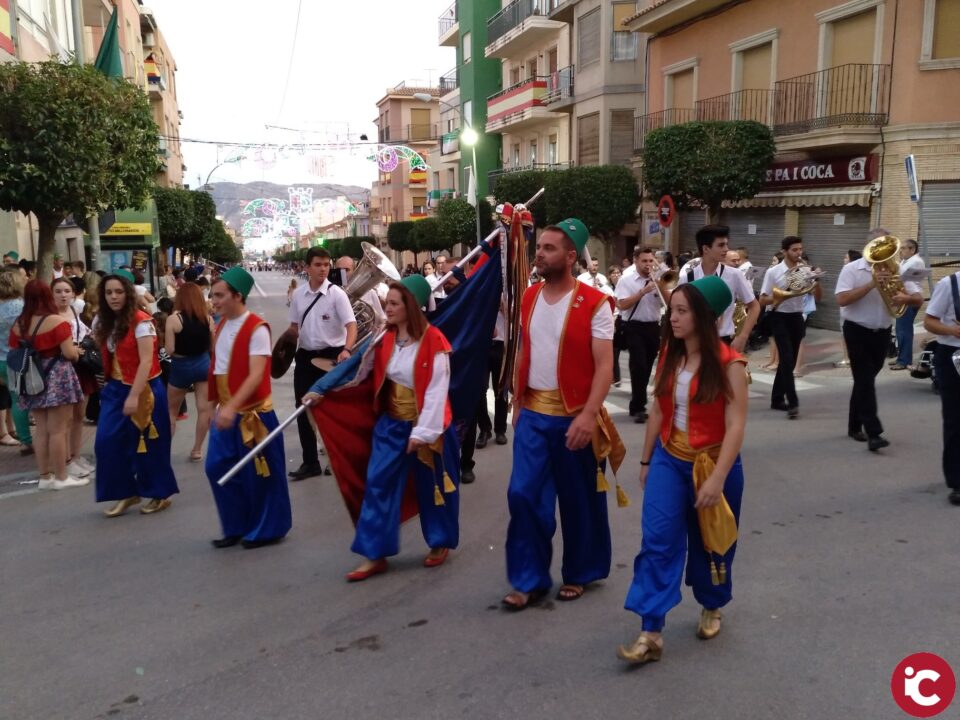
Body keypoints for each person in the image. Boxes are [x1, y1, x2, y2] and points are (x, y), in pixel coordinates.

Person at [617, 276, 748, 665]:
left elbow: (736, 425)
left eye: (681, 311)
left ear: (705, 317)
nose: (671, 318)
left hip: (714, 464)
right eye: (670, 310)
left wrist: (718, 477)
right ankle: (650, 631)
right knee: (657, 541)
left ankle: (712, 603)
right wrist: (645, 461)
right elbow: (658, 409)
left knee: (713, 544)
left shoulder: (731, 364)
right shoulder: (670, 356)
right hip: (669, 461)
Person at [502, 218, 622, 610]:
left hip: (574, 414)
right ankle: (529, 578)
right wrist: (517, 401)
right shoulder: (529, 296)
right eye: (539, 247)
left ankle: (581, 572)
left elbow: (604, 367)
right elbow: (525, 349)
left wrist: (588, 416)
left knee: (579, 498)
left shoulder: (596, 304)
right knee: (523, 495)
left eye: (550, 248)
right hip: (533, 413)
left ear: (571, 257)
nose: (539, 253)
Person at [306, 276, 459, 579]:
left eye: (393, 303)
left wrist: (421, 434)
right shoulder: (383, 336)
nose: (386, 308)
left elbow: (436, 393)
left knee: (435, 489)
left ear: (411, 307)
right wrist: (320, 388)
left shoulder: (435, 343)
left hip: (429, 426)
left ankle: (440, 542)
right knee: (377, 484)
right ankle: (374, 553)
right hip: (390, 425)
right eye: (386, 302)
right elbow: (353, 365)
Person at [205, 267, 292, 548]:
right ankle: (236, 525)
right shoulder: (221, 325)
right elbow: (218, 368)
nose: (213, 301)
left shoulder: (257, 328)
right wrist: (214, 405)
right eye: (212, 295)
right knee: (217, 467)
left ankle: (267, 529)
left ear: (237, 296)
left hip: (254, 415)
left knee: (260, 474)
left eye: (219, 295)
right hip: (227, 412)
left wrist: (232, 407)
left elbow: (257, 375)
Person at [93, 270, 178, 516]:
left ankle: (159, 493)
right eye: (108, 292)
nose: (113, 296)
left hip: (145, 389)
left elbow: (145, 361)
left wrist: (133, 395)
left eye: (118, 291)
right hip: (115, 388)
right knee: (106, 443)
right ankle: (127, 492)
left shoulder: (142, 321)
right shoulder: (104, 321)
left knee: (150, 444)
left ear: (128, 294)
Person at [835, 229, 922, 451]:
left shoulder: (898, 269)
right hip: (856, 330)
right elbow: (842, 299)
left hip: (882, 332)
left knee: (864, 381)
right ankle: (874, 432)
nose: (883, 252)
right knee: (865, 380)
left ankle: (854, 425)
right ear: (868, 246)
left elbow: (918, 298)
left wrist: (906, 298)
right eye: (877, 246)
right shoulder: (851, 269)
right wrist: (872, 284)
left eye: (886, 247)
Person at [285, 247, 356, 480]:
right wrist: (280, 350)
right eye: (318, 264)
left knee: (334, 411)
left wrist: (346, 349)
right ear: (307, 267)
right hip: (305, 357)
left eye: (326, 264)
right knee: (303, 408)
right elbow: (294, 329)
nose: (323, 269)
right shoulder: (298, 295)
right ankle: (310, 462)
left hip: (333, 356)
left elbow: (351, 326)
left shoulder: (337, 294)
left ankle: (338, 460)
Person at [8, 280, 84, 488]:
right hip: (57, 375)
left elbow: (14, 348)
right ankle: (61, 476)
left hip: (31, 376)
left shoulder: (19, 323)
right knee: (58, 429)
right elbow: (69, 353)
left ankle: (45, 477)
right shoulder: (57, 322)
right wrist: (77, 352)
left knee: (41, 429)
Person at [759, 237, 821, 418]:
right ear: (785, 251)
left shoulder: (805, 270)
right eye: (794, 250)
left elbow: (818, 297)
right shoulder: (774, 272)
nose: (799, 253)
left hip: (797, 316)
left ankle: (776, 399)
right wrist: (783, 296)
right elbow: (763, 299)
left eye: (800, 249)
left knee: (790, 360)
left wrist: (816, 280)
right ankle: (792, 401)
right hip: (778, 316)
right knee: (786, 358)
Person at [679, 226, 759, 353]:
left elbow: (754, 306)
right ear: (706, 248)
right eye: (721, 245)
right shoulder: (687, 277)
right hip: (693, 342)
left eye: (727, 244)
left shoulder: (734, 275)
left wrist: (742, 336)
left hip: (723, 340)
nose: (726, 249)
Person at [51, 278, 96, 479]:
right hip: (62, 369)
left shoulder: (75, 313)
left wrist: (88, 341)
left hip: (81, 366)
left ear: (73, 293)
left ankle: (76, 456)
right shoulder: (50, 317)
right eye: (58, 291)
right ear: (51, 294)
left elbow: (87, 333)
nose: (63, 295)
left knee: (79, 415)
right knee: (66, 419)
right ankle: (66, 460)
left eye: (67, 291)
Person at [164, 282, 215, 462]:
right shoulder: (207, 319)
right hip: (203, 363)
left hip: (181, 365)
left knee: (171, 410)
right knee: (204, 409)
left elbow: (169, 349)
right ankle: (197, 449)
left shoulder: (173, 319)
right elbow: (212, 345)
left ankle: (164, 450)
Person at [922, 269, 960, 505]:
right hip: (952, 355)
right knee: (956, 420)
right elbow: (929, 322)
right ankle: (957, 481)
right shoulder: (950, 283)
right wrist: (952, 330)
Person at [615, 247, 664, 423]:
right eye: (644, 261)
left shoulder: (658, 280)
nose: (648, 265)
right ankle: (638, 406)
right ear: (635, 260)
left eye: (651, 261)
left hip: (653, 326)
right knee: (639, 366)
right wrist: (642, 292)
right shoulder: (626, 281)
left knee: (647, 367)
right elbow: (622, 305)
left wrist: (661, 287)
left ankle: (637, 403)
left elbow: (668, 301)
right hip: (633, 326)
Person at [0, 267, 32, 455]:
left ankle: (12, 432)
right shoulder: (20, 306)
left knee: (11, 398)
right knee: (19, 400)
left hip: (1, 358)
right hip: (16, 357)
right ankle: (26, 440)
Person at [892, 238, 925, 370]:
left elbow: (903, 278)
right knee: (901, 330)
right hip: (906, 296)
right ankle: (901, 357)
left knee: (904, 330)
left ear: (912, 249)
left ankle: (904, 361)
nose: (900, 251)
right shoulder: (907, 261)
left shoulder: (916, 261)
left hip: (910, 297)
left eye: (903, 248)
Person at [834, 250, 862, 368]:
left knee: (846, 334)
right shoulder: (850, 272)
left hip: (849, 311)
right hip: (846, 309)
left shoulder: (852, 272)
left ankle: (847, 358)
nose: (844, 260)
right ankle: (847, 357)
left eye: (846, 258)